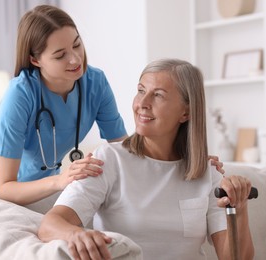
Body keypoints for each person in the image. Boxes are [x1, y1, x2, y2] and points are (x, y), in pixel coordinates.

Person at [38, 59, 254, 260]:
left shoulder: (208, 172)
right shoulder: (109, 160)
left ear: (185, 113)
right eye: (141, 91)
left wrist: (239, 207)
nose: (143, 103)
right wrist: (76, 234)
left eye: (158, 95)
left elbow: (235, 258)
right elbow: (50, 224)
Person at [0, 5, 128, 205]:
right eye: (60, 55)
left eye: (77, 44)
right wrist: (61, 179)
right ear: (35, 60)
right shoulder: (20, 94)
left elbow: (121, 148)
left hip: (40, 182)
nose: (75, 58)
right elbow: (3, 189)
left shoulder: (95, 83)